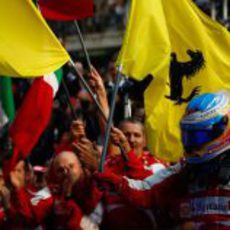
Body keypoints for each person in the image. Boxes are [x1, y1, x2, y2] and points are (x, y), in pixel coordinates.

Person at [96, 91, 230, 229]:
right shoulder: (184, 170)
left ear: (224, 129)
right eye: (189, 136)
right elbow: (145, 191)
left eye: (199, 136)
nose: (193, 144)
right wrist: (116, 182)